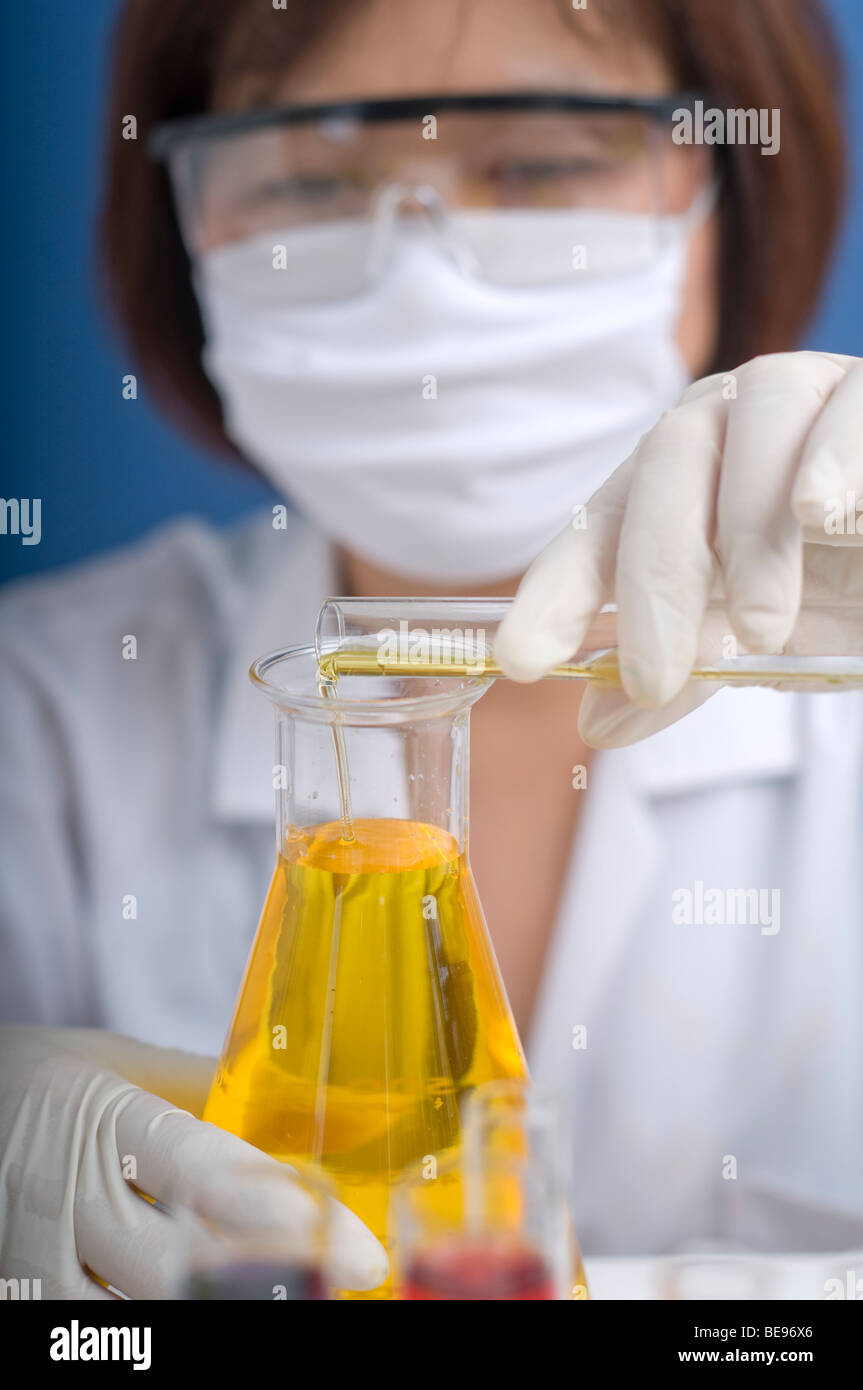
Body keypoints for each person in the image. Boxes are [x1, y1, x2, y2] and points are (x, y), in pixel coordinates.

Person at [2, 0, 862, 1298]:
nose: (419, 265)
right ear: (180, 222)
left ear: (729, 188)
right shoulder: (44, 709)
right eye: (309, 174)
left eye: (540, 164)